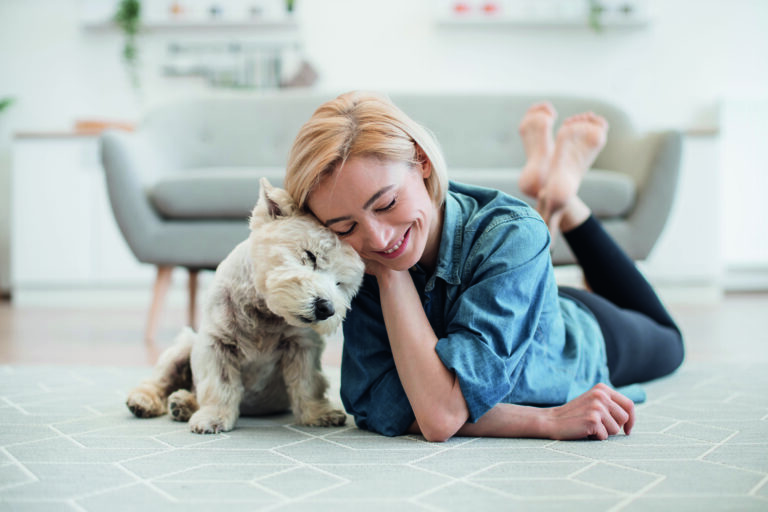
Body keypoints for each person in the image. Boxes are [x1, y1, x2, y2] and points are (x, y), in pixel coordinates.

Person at [283, 91, 684, 442]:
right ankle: (552, 188)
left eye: (386, 204)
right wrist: (544, 420)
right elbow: (377, 403)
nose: (378, 239)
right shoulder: (353, 257)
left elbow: (437, 416)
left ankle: (566, 201)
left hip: (574, 331)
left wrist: (390, 272)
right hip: (508, 289)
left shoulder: (511, 234)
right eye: (346, 226)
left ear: (421, 161)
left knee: (671, 344)